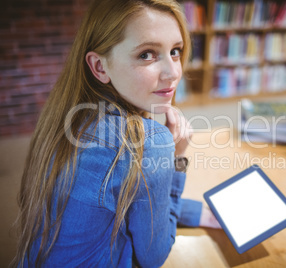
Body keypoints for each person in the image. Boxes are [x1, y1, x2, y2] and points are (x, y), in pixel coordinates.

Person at [12, 0, 219, 267]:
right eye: (147, 54)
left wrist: (193, 212)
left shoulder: (67, 117)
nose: (173, 72)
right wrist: (176, 160)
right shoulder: (150, 140)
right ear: (100, 66)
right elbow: (153, 256)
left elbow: (122, 197)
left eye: (175, 51)